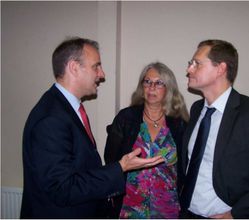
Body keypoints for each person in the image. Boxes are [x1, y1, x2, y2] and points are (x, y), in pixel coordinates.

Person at [20, 37, 165, 219]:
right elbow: (62, 189)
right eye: (96, 66)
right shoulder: (51, 119)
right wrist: (120, 167)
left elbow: (80, 168)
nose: (102, 74)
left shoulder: (67, 108)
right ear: (74, 67)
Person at [104, 62, 189, 218]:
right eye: (147, 81)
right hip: (131, 207)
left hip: (168, 209)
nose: (151, 87)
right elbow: (111, 159)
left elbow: (186, 168)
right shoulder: (126, 118)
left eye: (158, 83)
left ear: (169, 89)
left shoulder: (180, 124)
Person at [179, 39, 249, 218]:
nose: (189, 70)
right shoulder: (196, 109)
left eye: (197, 64)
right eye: (190, 64)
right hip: (187, 212)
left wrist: (236, 214)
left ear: (220, 69)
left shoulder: (246, 112)